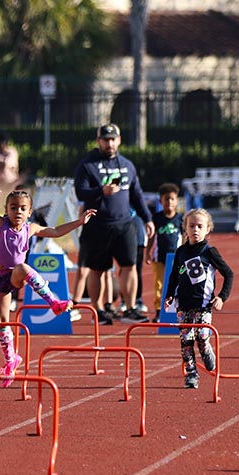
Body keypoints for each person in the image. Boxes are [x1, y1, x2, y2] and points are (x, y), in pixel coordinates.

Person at [0, 187, 95, 386]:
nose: (17, 212)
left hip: (15, 274)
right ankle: (11, 360)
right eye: (13, 208)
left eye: (22, 209)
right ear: (6, 210)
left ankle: (53, 302)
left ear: (29, 212)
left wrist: (79, 222)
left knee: (22, 267)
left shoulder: (31, 228)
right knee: (1, 321)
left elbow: (55, 231)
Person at [73, 123, 154, 324]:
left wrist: (147, 218)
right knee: (97, 269)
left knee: (129, 266)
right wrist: (101, 191)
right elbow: (80, 192)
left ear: (119, 140)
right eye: (105, 139)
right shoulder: (87, 165)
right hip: (98, 225)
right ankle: (98, 311)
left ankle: (130, 307)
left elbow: (136, 194)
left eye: (113, 139)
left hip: (124, 224)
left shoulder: (127, 165)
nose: (109, 143)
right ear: (98, 141)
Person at [164, 208, 233, 389]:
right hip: (183, 305)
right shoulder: (180, 252)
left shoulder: (210, 252)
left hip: (203, 306)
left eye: (199, 226)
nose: (195, 229)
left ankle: (206, 349)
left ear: (207, 229)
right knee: (186, 341)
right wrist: (169, 295)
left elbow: (229, 274)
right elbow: (173, 276)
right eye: (191, 226)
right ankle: (192, 374)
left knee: (201, 337)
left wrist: (221, 297)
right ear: (185, 228)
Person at [145, 183, 183, 321]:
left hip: (176, 258)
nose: (169, 202)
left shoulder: (180, 219)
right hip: (159, 257)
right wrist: (148, 252)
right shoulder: (157, 218)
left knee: (177, 284)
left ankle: (176, 309)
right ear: (161, 201)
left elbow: (184, 238)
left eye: (172, 199)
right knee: (160, 284)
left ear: (177, 200)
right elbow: (151, 237)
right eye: (166, 199)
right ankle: (159, 310)